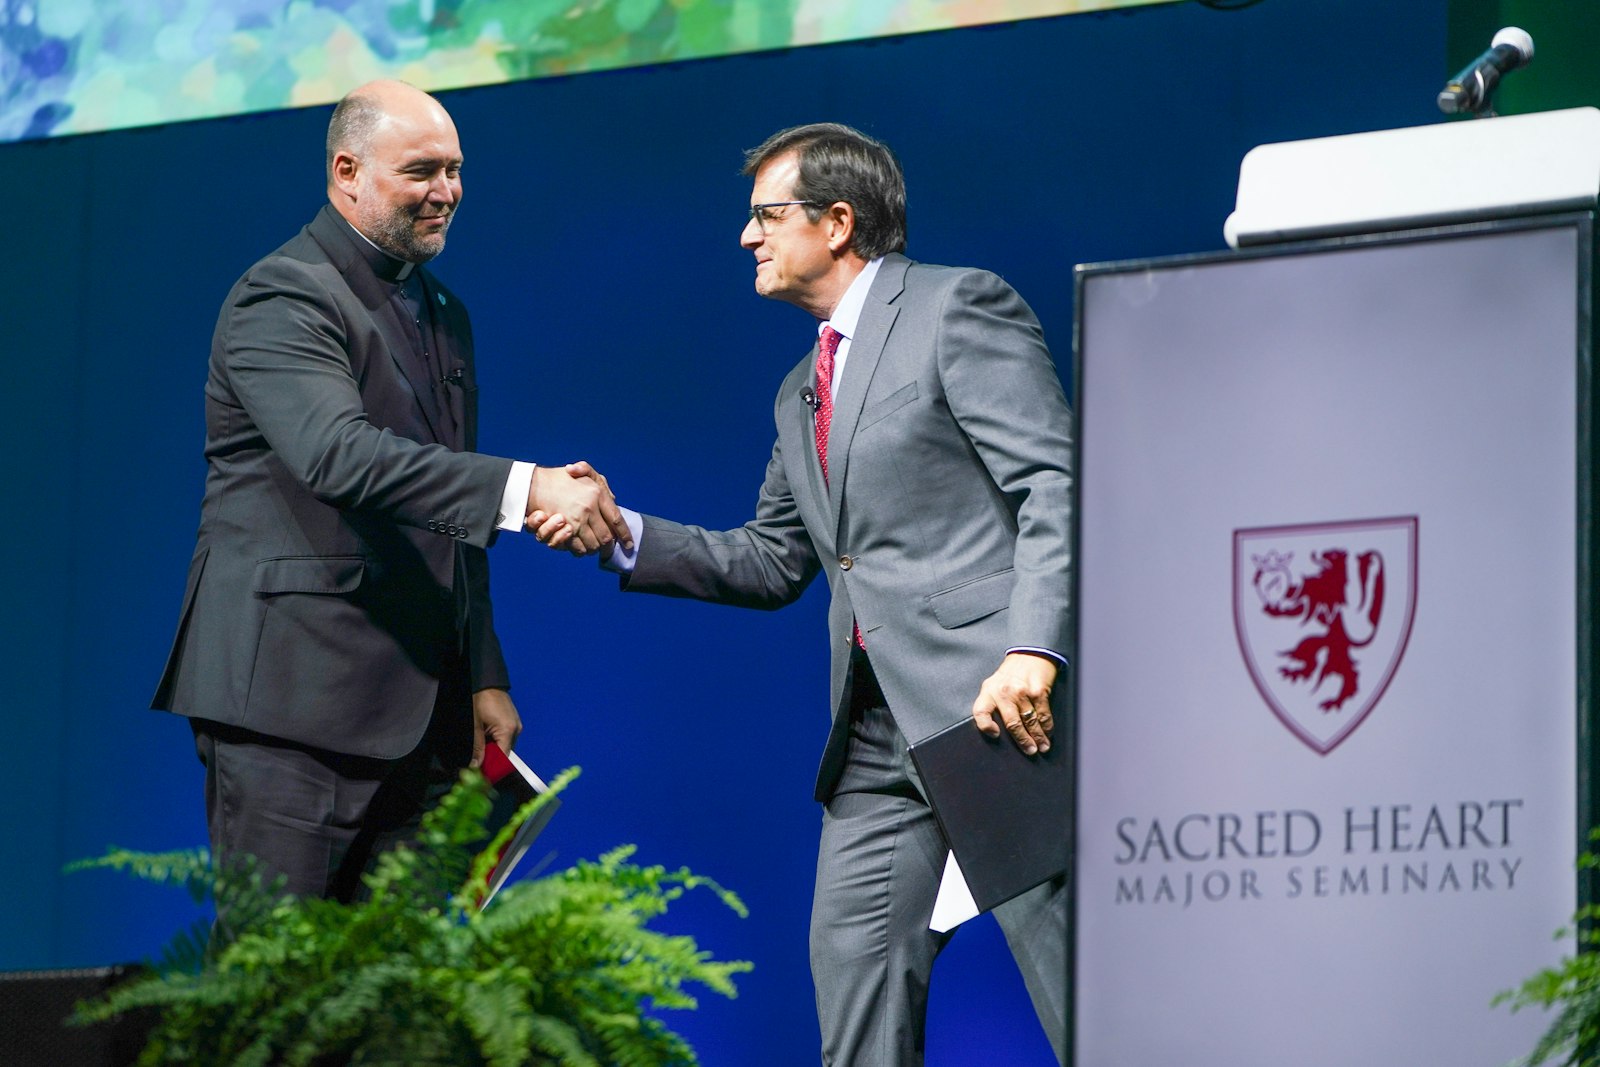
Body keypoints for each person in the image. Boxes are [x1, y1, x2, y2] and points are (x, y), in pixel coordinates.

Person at [536, 123, 1073, 1065]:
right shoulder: (799, 390)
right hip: (872, 742)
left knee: (1087, 994)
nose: (747, 236)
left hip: (993, 710)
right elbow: (772, 560)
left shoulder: (957, 308)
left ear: (836, 221)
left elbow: (1054, 482)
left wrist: (1033, 650)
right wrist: (625, 536)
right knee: (855, 1002)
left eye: (764, 215)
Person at [151, 80, 626, 903]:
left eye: (456, 170)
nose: (448, 192)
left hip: (423, 720)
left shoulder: (445, 313)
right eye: (422, 172)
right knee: (283, 1006)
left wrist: (482, 672)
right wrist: (528, 488)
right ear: (347, 171)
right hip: (290, 713)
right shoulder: (283, 292)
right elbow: (339, 455)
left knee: (402, 1013)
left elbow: (445, 508)